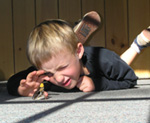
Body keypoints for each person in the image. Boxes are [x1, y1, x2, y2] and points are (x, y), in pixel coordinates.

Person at [7, 11, 150, 99]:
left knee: (118, 67)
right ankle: (71, 35)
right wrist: (21, 89)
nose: (58, 78)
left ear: (79, 51)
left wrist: (98, 84)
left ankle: (138, 44)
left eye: (62, 67)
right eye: (49, 73)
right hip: (72, 55)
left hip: (102, 65)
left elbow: (129, 80)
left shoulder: (105, 59)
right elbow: (14, 80)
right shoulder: (45, 73)